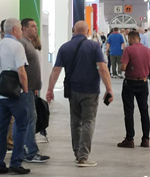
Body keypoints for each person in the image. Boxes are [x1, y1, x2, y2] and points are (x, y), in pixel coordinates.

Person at [45, 21, 113, 167]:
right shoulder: (94, 46)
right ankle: (83, 156)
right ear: (87, 32)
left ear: (73, 31)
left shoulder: (65, 47)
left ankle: (77, 154)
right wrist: (109, 89)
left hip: (72, 91)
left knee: (75, 122)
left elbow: (56, 70)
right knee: (88, 121)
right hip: (90, 90)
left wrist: (50, 89)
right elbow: (102, 68)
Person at [0, 18, 30, 175]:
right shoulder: (17, 46)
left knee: (2, 129)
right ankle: (16, 163)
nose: (21, 32)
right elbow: (21, 72)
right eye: (20, 29)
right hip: (15, 95)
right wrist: (25, 90)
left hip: (1, 96)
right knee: (21, 126)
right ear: (15, 30)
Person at [115, 30, 150, 148]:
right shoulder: (148, 51)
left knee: (129, 111)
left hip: (130, 83)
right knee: (144, 111)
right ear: (139, 39)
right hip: (143, 83)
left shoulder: (128, 50)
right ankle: (146, 139)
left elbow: (123, 67)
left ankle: (130, 139)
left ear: (130, 38)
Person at [18, 18, 49, 163]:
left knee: (29, 118)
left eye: (36, 26)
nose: (36, 29)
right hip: (26, 89)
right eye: (32, 26)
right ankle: (30, 152)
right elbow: (21, 68)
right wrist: (25, 87)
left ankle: (25, 150)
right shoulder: (22, 44)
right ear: (24, 28)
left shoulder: (29, 43)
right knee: (30, 118)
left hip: (31, 89)